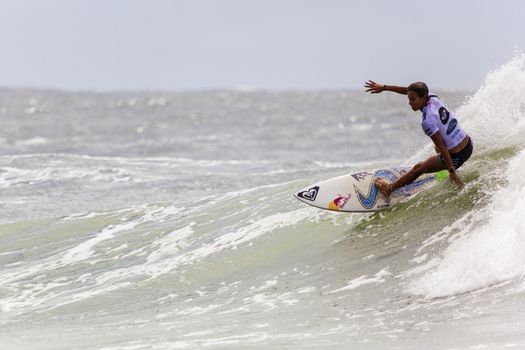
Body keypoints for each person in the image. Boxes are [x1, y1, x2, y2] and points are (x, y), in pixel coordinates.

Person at [364, 80, 473, 198]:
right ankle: (443, 166)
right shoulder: (433, 97)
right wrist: (385, 87)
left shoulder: (427, 121)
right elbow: (408, 91)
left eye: (413, 99)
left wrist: (452, 171)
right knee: (437, 148)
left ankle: (389, 189)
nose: (409, 103)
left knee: (418, 168)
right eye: (409, 98)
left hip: (458, 155)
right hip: (468, 145)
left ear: (423, 97)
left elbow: (443, 146)